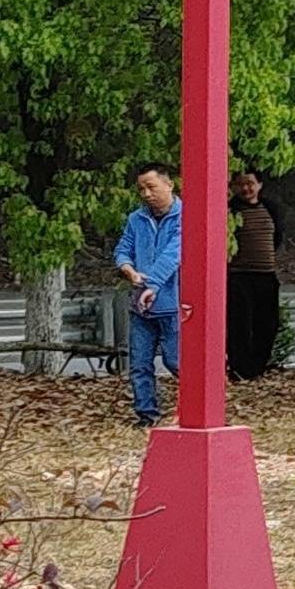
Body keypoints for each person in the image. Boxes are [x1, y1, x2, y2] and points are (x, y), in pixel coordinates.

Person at [112, 163, 183, 428]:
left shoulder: (184, 216)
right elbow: (123, 248)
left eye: (151, 187)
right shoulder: (136, 219)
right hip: (140, 305)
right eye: (141, 189)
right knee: (139, 364)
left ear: (169, 185)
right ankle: (146, 415)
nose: (146, 194)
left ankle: (191, 407)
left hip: (173, 303)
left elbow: (174, 254)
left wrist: (152, 284)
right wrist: (127, 269)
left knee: (176, 361)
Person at [223, 169, 283, 382]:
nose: (246, 188)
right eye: (240, 184)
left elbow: (277, 238)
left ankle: (257, 367)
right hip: (240, 276)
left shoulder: (271, 208)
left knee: (268, 325)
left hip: (266, 275)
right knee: (240, 325)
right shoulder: (230, 211)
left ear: (260, 185)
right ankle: (239, 369)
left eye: (250, 183)